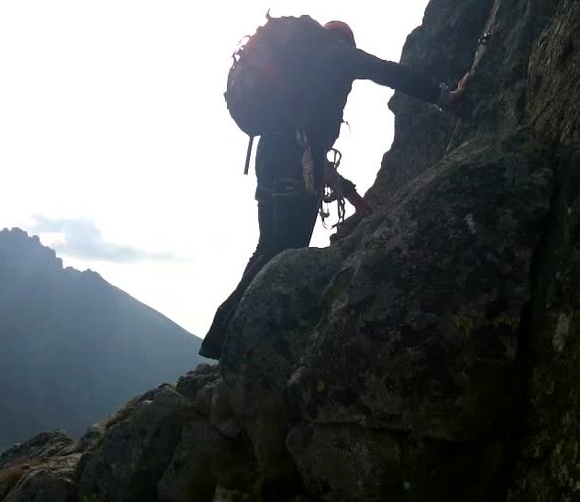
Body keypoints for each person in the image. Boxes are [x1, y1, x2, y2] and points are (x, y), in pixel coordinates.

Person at [199, 19, 469, 360]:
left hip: (268, 155)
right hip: (296, 158)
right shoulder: (340, 55)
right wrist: (444, 96)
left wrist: (348, 191)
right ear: (345, 40)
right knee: (284, 251)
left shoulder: (299, 66)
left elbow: (310, 147)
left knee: (267, 246)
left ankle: (222, 336)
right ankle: (235, 339)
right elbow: (388, 72)